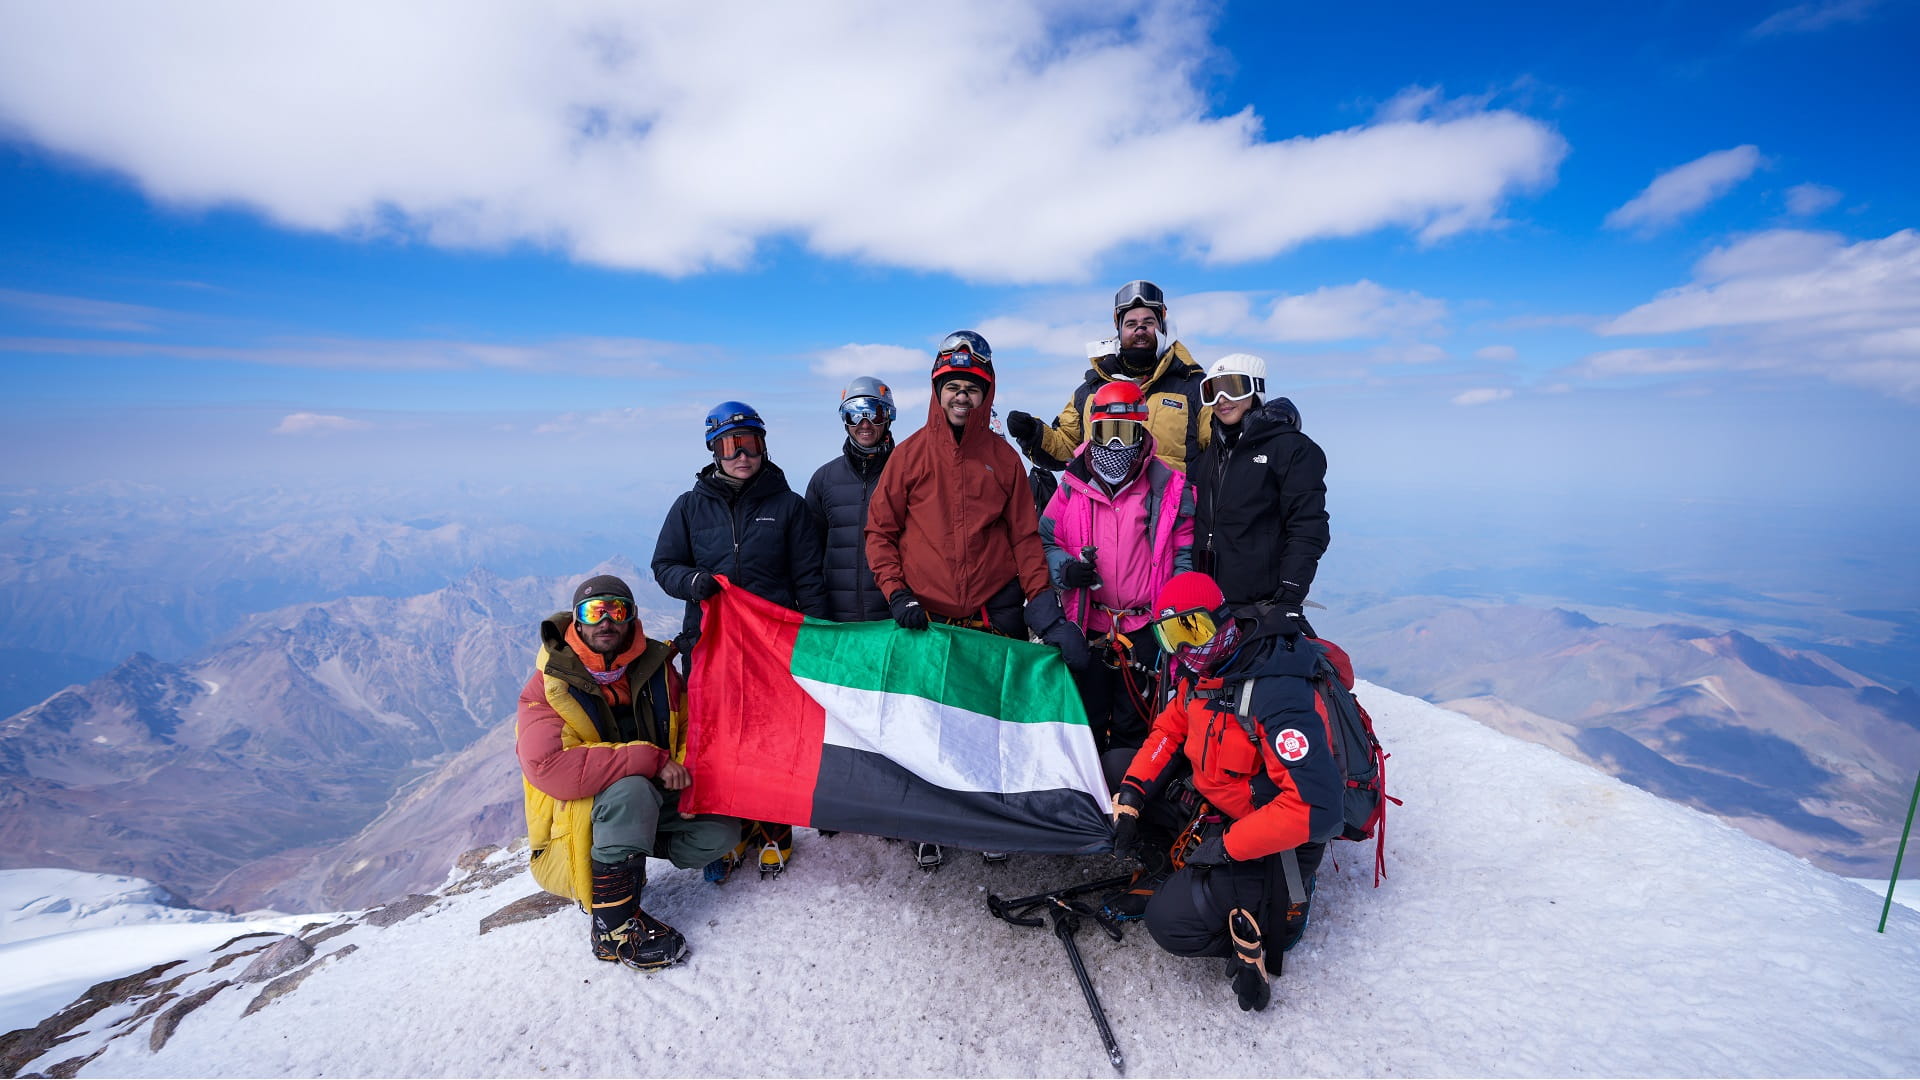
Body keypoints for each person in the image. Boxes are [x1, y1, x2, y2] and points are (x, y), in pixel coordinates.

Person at [865, 330, 1089, 867]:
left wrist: (1043, 606)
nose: (961, 395)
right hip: (928, 618)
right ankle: (929, 821)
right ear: (937, 390)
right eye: (952, 386)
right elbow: (880, 532)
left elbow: (1024, 537)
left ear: (986, 393)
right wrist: (897, 595)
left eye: (972, 386)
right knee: (930, 724)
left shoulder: (1004, 460)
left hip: (992, 612)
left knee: (990, 722)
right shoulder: (910, 456)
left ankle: (988, 818)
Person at [1110, 571, 1341, 1012]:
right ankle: (1194, 874)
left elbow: (1318, 809)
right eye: (1168, 634)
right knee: (1118, 768)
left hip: (1269, 839)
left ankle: (1273, 919)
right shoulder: (1205, 673)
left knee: (1167, 922)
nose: (1181, 647)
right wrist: (1134, 795)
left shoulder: (1278, 694)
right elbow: (1168, 730)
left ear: (1222, 619)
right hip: (1216, 806)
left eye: (1191, 627)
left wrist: (1229, 848)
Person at [515, 574, 743, 971]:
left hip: (643, 808)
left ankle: (628, 861)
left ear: (631, 619)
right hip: (578, 826)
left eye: (616, 610)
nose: (606, 621)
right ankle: (613, 930)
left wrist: (691, 786)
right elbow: (548, 766)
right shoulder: (548, 686)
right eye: (594, 611)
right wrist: (650, 759)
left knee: (720, 831)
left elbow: (691, 726)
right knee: (631, 789)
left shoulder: (656, 669)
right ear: (577, 622)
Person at [651, 401, 827, 879]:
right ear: (714, 451)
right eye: (730, 445)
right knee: (722, 738)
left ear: (763, 446)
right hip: (712, 647)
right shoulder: (690, 506)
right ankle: (733, 829)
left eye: (749, 443)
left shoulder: (788, 506)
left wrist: (817, 636)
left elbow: (809, 577)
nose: (741, 454)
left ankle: (774, 828)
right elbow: (664, 564)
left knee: (772, 738)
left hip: (773, 647)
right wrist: (693, 584)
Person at [1036, 380, 1194, 772]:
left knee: (1133, 724)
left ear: (1142, 430)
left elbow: (1184, 560)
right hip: (1089, 625)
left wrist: (1175, 628)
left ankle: (1125, 806)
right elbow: (1044, 540)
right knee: (1085, 720)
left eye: (1126, 434)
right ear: (1093, 433)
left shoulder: (1170, 490)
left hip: (1145, 630)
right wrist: (1066, 570)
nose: (1116, 447)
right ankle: (1083, 803)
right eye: (1107, 433)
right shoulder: (1072, 488)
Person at [1005, 280, 1211, 474]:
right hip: (1104, 508)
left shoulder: (1193, 387)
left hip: (1172, 508)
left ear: (1162, 327)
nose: (1140, 330)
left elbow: (1219, 449)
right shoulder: (1090, 391)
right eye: (1131, 324)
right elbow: (1067, 446)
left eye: (1148, 322)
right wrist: (1035, 435)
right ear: (1119, 329)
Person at [1190, 353, 1330, 635]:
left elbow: (1308, 526)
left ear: (1256, 389)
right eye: (1212, 391)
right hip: (1209, 606)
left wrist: (1290, 594)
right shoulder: (1208, 457)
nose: (1221, 399)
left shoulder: (1292, 449)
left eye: (1233, 387)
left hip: (1262, 608)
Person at [805, 376, 897, 624]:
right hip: (838, 621)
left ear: (888, 417)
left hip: (895, 618)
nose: (864, 423)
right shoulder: (824, 479)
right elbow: (808, 556)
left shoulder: (907, 473)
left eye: (874, 413)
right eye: (853, 414)